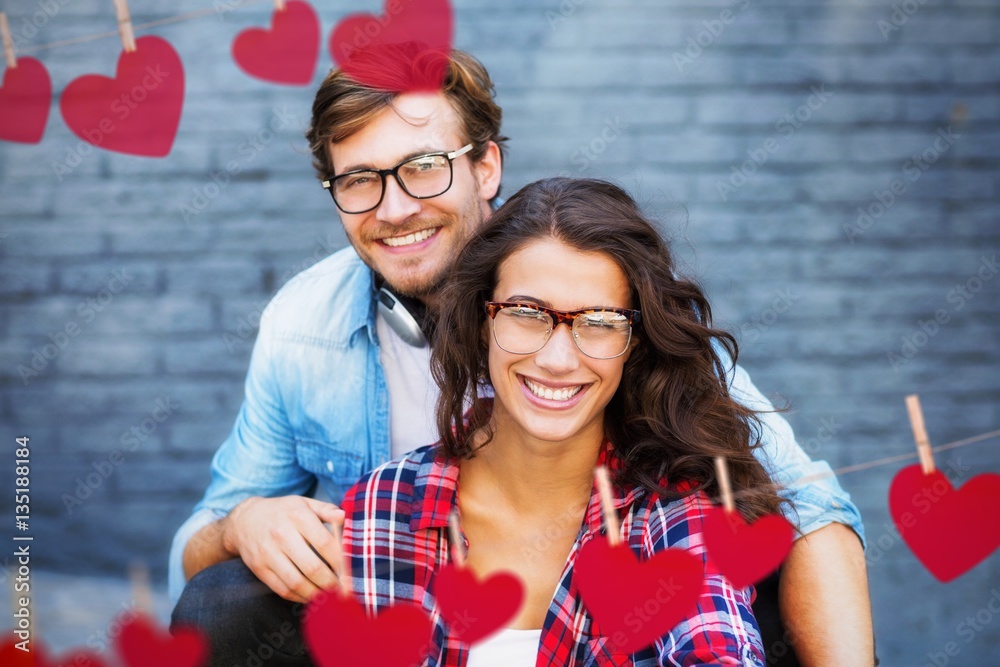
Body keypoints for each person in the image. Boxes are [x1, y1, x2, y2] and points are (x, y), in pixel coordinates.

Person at [170, 46, 873, 666]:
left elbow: (813, 507)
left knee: (770, 575)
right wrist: (244, 523)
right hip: (407, 609)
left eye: (422, 167)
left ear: (485, 166)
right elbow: (197, 548)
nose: (393, 209)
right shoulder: (304, 329)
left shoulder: (579, 277)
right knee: (223, 599)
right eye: (360, 180)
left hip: (600, 595)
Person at [339, 176, 784, 665]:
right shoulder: (385, 506)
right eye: (527, 313)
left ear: (633, 344)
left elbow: (714, 644)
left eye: (599, 323)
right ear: (482, 320)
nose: (557, 359)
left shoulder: (673, 517)